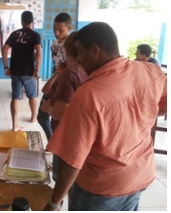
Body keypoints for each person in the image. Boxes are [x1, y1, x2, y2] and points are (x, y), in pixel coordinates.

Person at [44, 22, 167, 211]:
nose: (78, 58)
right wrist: (135, 121)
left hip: (102, 189)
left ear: (94, 50)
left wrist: (54, 202)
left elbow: (72, 159)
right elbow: (164, 104)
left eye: (79, 51)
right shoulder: (149, 71)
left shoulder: (88, 95)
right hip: (140, 176)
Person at [41, 31, 88, 182]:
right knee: (71, 174)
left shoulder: (70, 75)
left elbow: (59, 114)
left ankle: (57, 202)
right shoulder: (86, 70)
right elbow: (46, 89)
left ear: (66, 51)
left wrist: (48, 108)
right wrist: (59, 74)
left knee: (61, 178)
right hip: (79, 134)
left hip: (64, 135)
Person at [2, 10, 42, 131]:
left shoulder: (14, 34)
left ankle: (15, 125)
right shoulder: (35, 35)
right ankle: (33, 117)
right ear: (32, 21)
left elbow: (5, 48)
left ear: (21, 21)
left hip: (15, 70)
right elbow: (38, 53)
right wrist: (37, 70)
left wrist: (5, 66)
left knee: (15, 97)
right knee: (32, 96)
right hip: (28, 71)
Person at [37, 13, 72, 140]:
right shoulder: (54, 44)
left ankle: (56, 143)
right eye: (54, 30)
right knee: (42, 116)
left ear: (69, 28)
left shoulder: (73, 45)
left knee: (60, 117)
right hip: (54, 82)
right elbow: (56, 65)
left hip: (66, 84)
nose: (56, 33)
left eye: (60, 30)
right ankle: (52, 140)